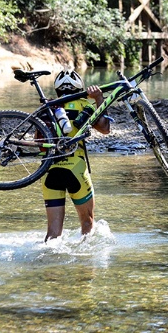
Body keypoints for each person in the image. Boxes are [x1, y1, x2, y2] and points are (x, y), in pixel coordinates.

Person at [42, 69, 111, 241]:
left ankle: (47, 267)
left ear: (57, 89)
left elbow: (40, 145)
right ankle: (86, 267)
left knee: (52, 235)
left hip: (49, 171)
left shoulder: (49, 108)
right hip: (76, 170)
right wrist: (99, 98)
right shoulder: (84, 105)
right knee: (87, 226)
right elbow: (105, 129)